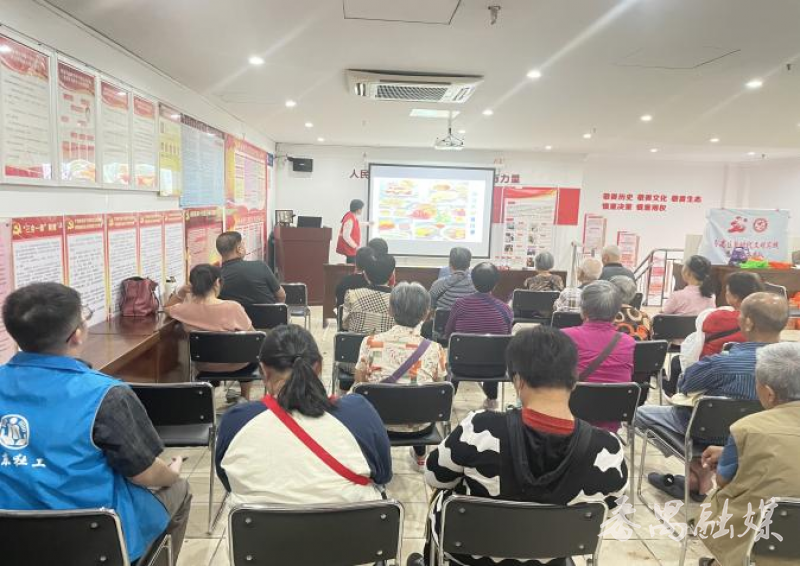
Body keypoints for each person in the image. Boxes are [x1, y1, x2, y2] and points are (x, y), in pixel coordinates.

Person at [0, 283, 192, 564]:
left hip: (10, 541)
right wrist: (171, 474)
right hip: (93, 543)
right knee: (179, 490)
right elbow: (144, 474)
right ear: (77, 335)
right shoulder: (105, 394)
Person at [406, 326, 628, 566]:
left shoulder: (480, 429)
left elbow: (434, 476)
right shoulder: (608, 450)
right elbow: (608, 511)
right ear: (574, 381)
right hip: (551, 558)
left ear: (518, 380)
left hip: (470, 558)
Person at [216, 325, 392, 506]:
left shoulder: (236, 421)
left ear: (263, 370)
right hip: (354, 522)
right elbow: (384, 475)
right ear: (319, 367)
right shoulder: (359, 413)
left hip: (260, 524)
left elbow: (229, 482)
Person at [636, 292, 789, 500]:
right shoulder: (793, 362)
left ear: (748, 323)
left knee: (640, 414)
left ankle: (697, 468)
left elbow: (684, 385)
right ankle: (700, 472)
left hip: (708, 433)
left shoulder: (721, 363)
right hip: (770, 437)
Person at [698, 343, 800, 566]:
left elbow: (724, 481)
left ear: (769, 394)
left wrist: (733, 455)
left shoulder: (748, 428)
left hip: (762, 541)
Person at [354, 283, 446, 471]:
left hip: (379, 423)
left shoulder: (370, 342)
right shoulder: (435, 349)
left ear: (390, 310)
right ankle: (421, 457)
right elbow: (439, 387)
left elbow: (360, 382)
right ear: (426, 314)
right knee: (418, 397)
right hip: (421, 425)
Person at [165, 264, 256, 402]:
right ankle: (244, 397)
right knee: (250, 352)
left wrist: (181, 292)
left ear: (192, 286)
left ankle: (208, 401)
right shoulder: (233, 307)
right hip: (239, 366)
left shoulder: (185, 309)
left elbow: (167, 307)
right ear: (217, 282)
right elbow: (254, 337)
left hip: (204, 366)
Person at [561, 281, 635, 431]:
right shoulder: (628, 342)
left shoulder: (565, 336)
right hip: (610, 426)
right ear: (616, 313)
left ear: (583, 310)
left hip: (570, 423)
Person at [445, 262, 513, 411]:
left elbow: (448, 334)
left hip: (461, 367)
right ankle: (492, 400)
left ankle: (448, 400)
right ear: (496, 283)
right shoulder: (505, 309)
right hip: (495, 370)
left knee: (457, 353)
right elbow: (506, 338)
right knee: (493, 350)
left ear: (472, 281)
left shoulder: (460, 305)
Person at [680, 271, 764, 369]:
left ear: (735, 297)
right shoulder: (766, 320)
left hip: (713, 369)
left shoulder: (717, 317)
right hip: (752, 369)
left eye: (727, 290)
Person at [216, 231, 286, 305]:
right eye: (243, 245)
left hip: (232, 313)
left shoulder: (216, 278)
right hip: (268, 312)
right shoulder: (260, 266)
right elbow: (281, 296)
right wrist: (277, 310)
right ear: (239, 249)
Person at [342, 253, 396, 335]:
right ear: (392, 276)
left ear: (365, 275)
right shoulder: (398, 300)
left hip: (355, 343)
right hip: (385, 343)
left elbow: (345, 325)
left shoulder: (351, 295)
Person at [429, 247, 476, 311]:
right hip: (469, 317)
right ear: (469, 264)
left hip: (443, 317)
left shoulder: (437, 285)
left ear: (450, 264)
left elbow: (430, 307)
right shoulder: (477, 286)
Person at [610, 275, 652, 340]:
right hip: (639, 346)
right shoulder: (644, 317)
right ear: (633, 295)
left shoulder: (604, 316)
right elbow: (650, 340)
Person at [336, 199, 365, 264]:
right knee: (351, 264)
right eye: (361, 209)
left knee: (351, 264)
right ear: (357, 209)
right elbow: (346, 236)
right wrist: (355, 246)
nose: (361, 211)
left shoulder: (352, 216)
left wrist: (368, 223)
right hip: (350, 247)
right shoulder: (349, 219)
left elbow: (357, 224)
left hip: (351, 247)